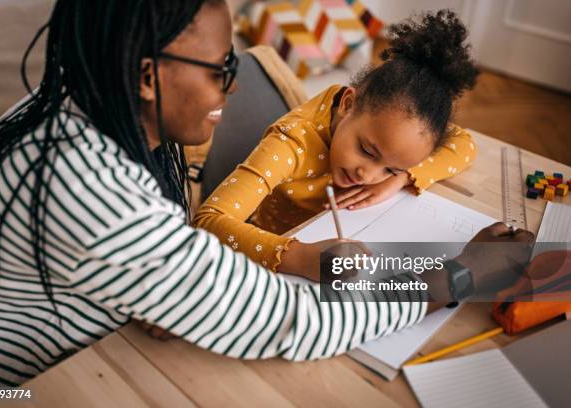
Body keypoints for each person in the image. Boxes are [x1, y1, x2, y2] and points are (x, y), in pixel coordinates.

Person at [0, 0, 532, 390]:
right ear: (146, 75)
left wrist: (157, 291)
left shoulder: (67, 108)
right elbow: (289, 319)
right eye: (219, 68)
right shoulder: (97, 198)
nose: (232, 85)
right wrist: (456, 276)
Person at [193, 11, 479, 280]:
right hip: (275, 259)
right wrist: (302, 257)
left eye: (389, 169)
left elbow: (465, 143)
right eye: (367, 151)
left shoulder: (395, 123)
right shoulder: (291, 143)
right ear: (347, 103)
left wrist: (402, 178)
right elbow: (208, 221)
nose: (368, 176)